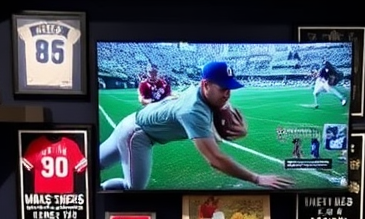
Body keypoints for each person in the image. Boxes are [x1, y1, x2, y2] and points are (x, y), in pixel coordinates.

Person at [99, 58, 293, 191]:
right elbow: (215, 159)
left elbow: (217, 120)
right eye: (223, 88)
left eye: (230, 89)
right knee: (134, 188)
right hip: (137, 135)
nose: (227, 94)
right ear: (206, 85)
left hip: (131, 121)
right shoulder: (193, 111)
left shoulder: (201, 92)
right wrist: (256, 178)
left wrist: (235, 129)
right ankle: (100, 192)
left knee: (96, 162)